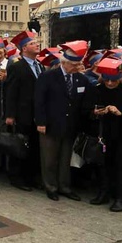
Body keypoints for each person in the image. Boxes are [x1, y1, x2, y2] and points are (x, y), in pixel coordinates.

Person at [81, 58, 122, 212]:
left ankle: (120, 197)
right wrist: (95, 112)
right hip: (102, 135)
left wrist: (121, 112)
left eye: (113, 81)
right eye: (107, 80)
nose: (109, 84)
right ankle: (104, 192)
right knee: (103, 166)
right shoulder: (96, 90)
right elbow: (86, 110)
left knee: (121, 167)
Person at [34, 41, 90, 201]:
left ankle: (64, 186)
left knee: (65, 159)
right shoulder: (48, 77)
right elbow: (39, 101)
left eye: (79, 64)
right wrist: (41, 122)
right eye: (74, 64)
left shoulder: (80, 79)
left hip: (70, 125)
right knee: (49, 158)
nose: (76, 67)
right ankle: (51, 186)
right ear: (64, 63)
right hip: (50, 124)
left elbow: (82, 101)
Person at [4, 30, 42, 192]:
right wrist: (10, 115)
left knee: (33, 146)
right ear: (24, 48)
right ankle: (16, 177)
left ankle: (30, 177)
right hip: (22, 113)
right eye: (33, 43)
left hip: (37, 114)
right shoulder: (17, 66)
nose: (37, 45)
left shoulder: (40, 66)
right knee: (19, 145)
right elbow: (11, 92)